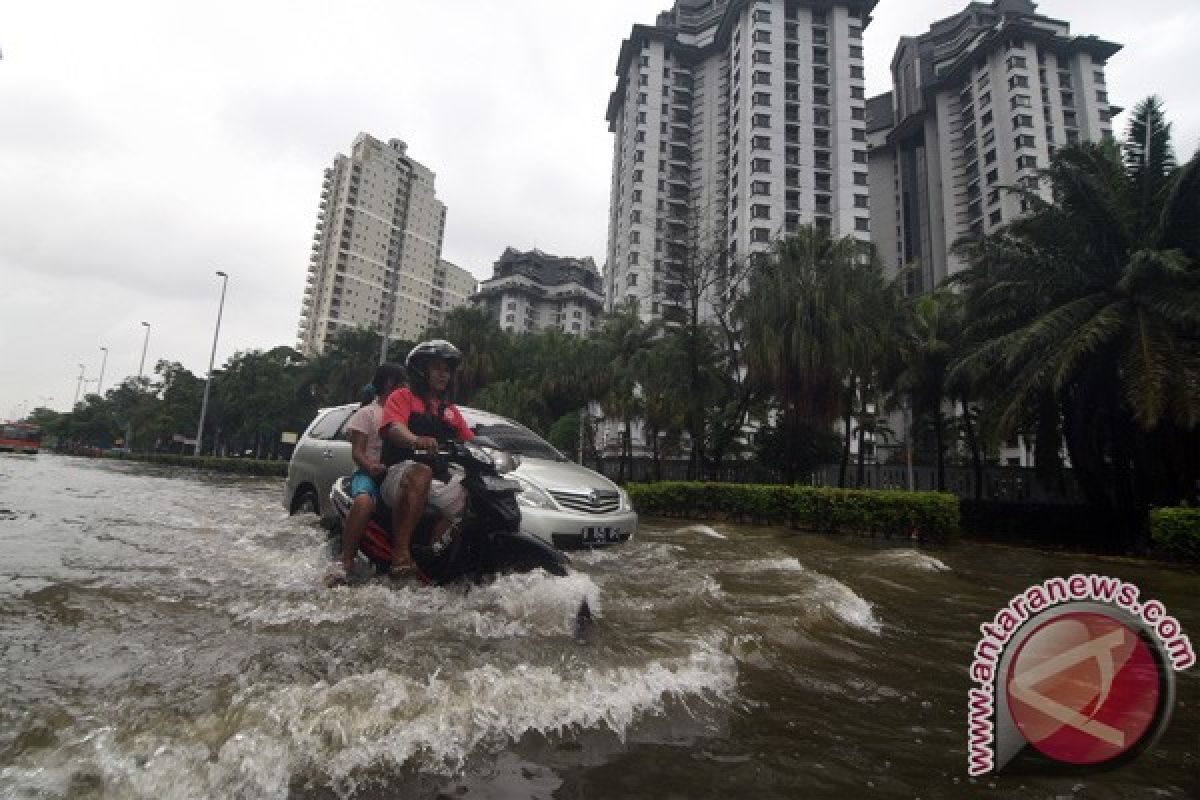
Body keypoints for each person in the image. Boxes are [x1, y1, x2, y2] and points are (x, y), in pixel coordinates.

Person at [379, 339, 474, 582]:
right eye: (437, 369)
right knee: (420, 472)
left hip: (437, 479)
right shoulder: (402, 397)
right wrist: (415, 439)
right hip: (399, 475)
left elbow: (470, 441)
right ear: (421, 370)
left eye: (447, 370)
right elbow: (394, 428)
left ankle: (434, 554)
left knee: (473, 493)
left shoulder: (449, 409)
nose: (444, 375)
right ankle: (400, 554)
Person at [323, 362, 406, 588]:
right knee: (363, 502)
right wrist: (371, 467)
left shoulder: (405, 414)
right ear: (391, 384)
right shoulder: (366, 413)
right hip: (368, 475)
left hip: (399, 474)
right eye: (403, 384)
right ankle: (346, 560)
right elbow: (357, 452)